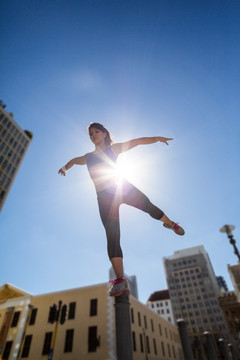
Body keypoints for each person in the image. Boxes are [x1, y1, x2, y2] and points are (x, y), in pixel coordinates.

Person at [58, 123, 185, 297]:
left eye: (96, 132)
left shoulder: (114, 149)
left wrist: (157, 139)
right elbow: (73, 161)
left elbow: (137, 141)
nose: (93, 135)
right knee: (112, 236)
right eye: (90, 134)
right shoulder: (88, 157)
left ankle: (171, 224)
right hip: (104, 199)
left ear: (104, 134)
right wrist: (65, 168)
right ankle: (120, 281)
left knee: (149, 206)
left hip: (121, 187)